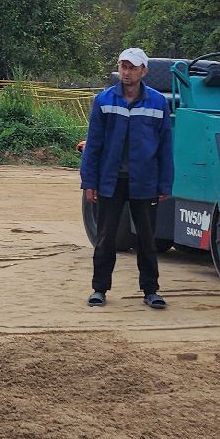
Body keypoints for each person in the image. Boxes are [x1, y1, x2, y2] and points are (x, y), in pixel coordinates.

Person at [80, 47, 173, 310]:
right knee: (105, 238)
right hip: (111, 181)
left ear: (144, 71)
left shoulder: (158, 103)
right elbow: (93, 145)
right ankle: (99, 289)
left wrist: (165, 183)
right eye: (123, 66)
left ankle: (151, 291)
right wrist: (89, 182)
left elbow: (165, 147)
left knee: (146, 239)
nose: (127, 72)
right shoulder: (104, 101)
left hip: (145, 181)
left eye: (132, 67)